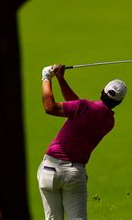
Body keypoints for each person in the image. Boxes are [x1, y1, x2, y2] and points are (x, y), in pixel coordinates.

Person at [38, 64, 127, 220]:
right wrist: (61, 80)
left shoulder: (84, 107)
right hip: (74, 174)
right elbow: (76, 106)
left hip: (49, 168)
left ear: (102, 91)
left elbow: (49, 107)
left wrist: (46, 78)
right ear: (119, 102)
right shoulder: (109, 122)